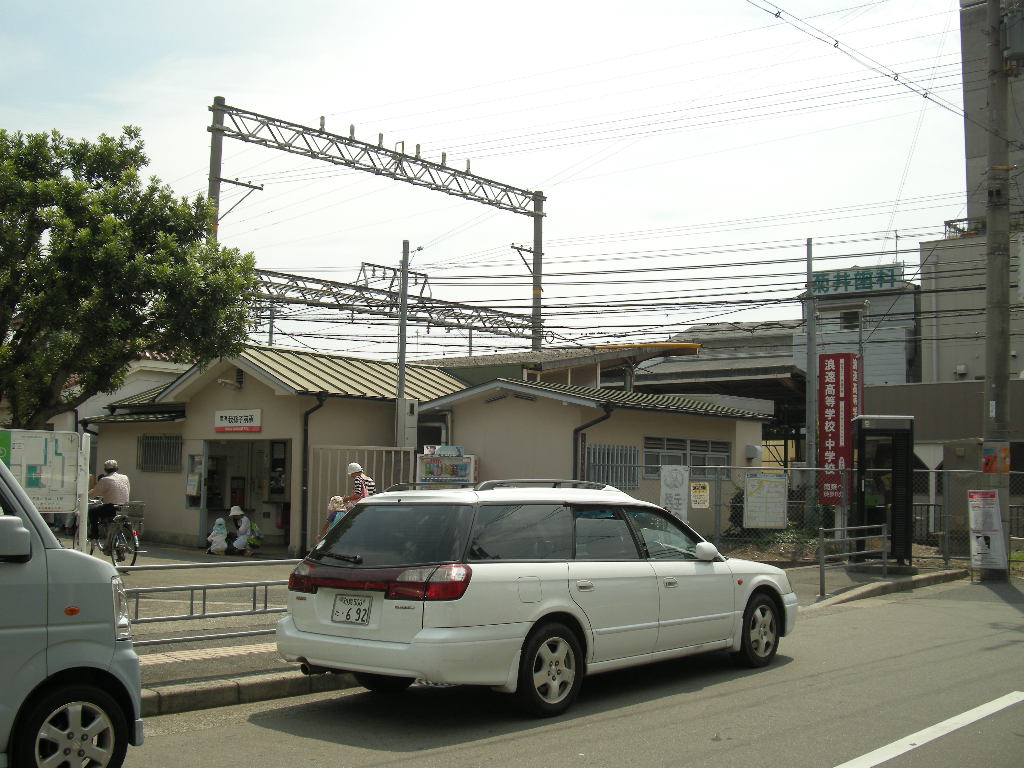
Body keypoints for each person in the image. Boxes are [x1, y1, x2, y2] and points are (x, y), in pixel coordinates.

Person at [88, 459, 131, 541]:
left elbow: (94, 493)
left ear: (105, 470)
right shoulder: (125, 477)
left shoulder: (105, 479)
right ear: (117, 469)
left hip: (111, 508)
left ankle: (95, 534)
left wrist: (86, 495)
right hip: (124, 507)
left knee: (92, 512)